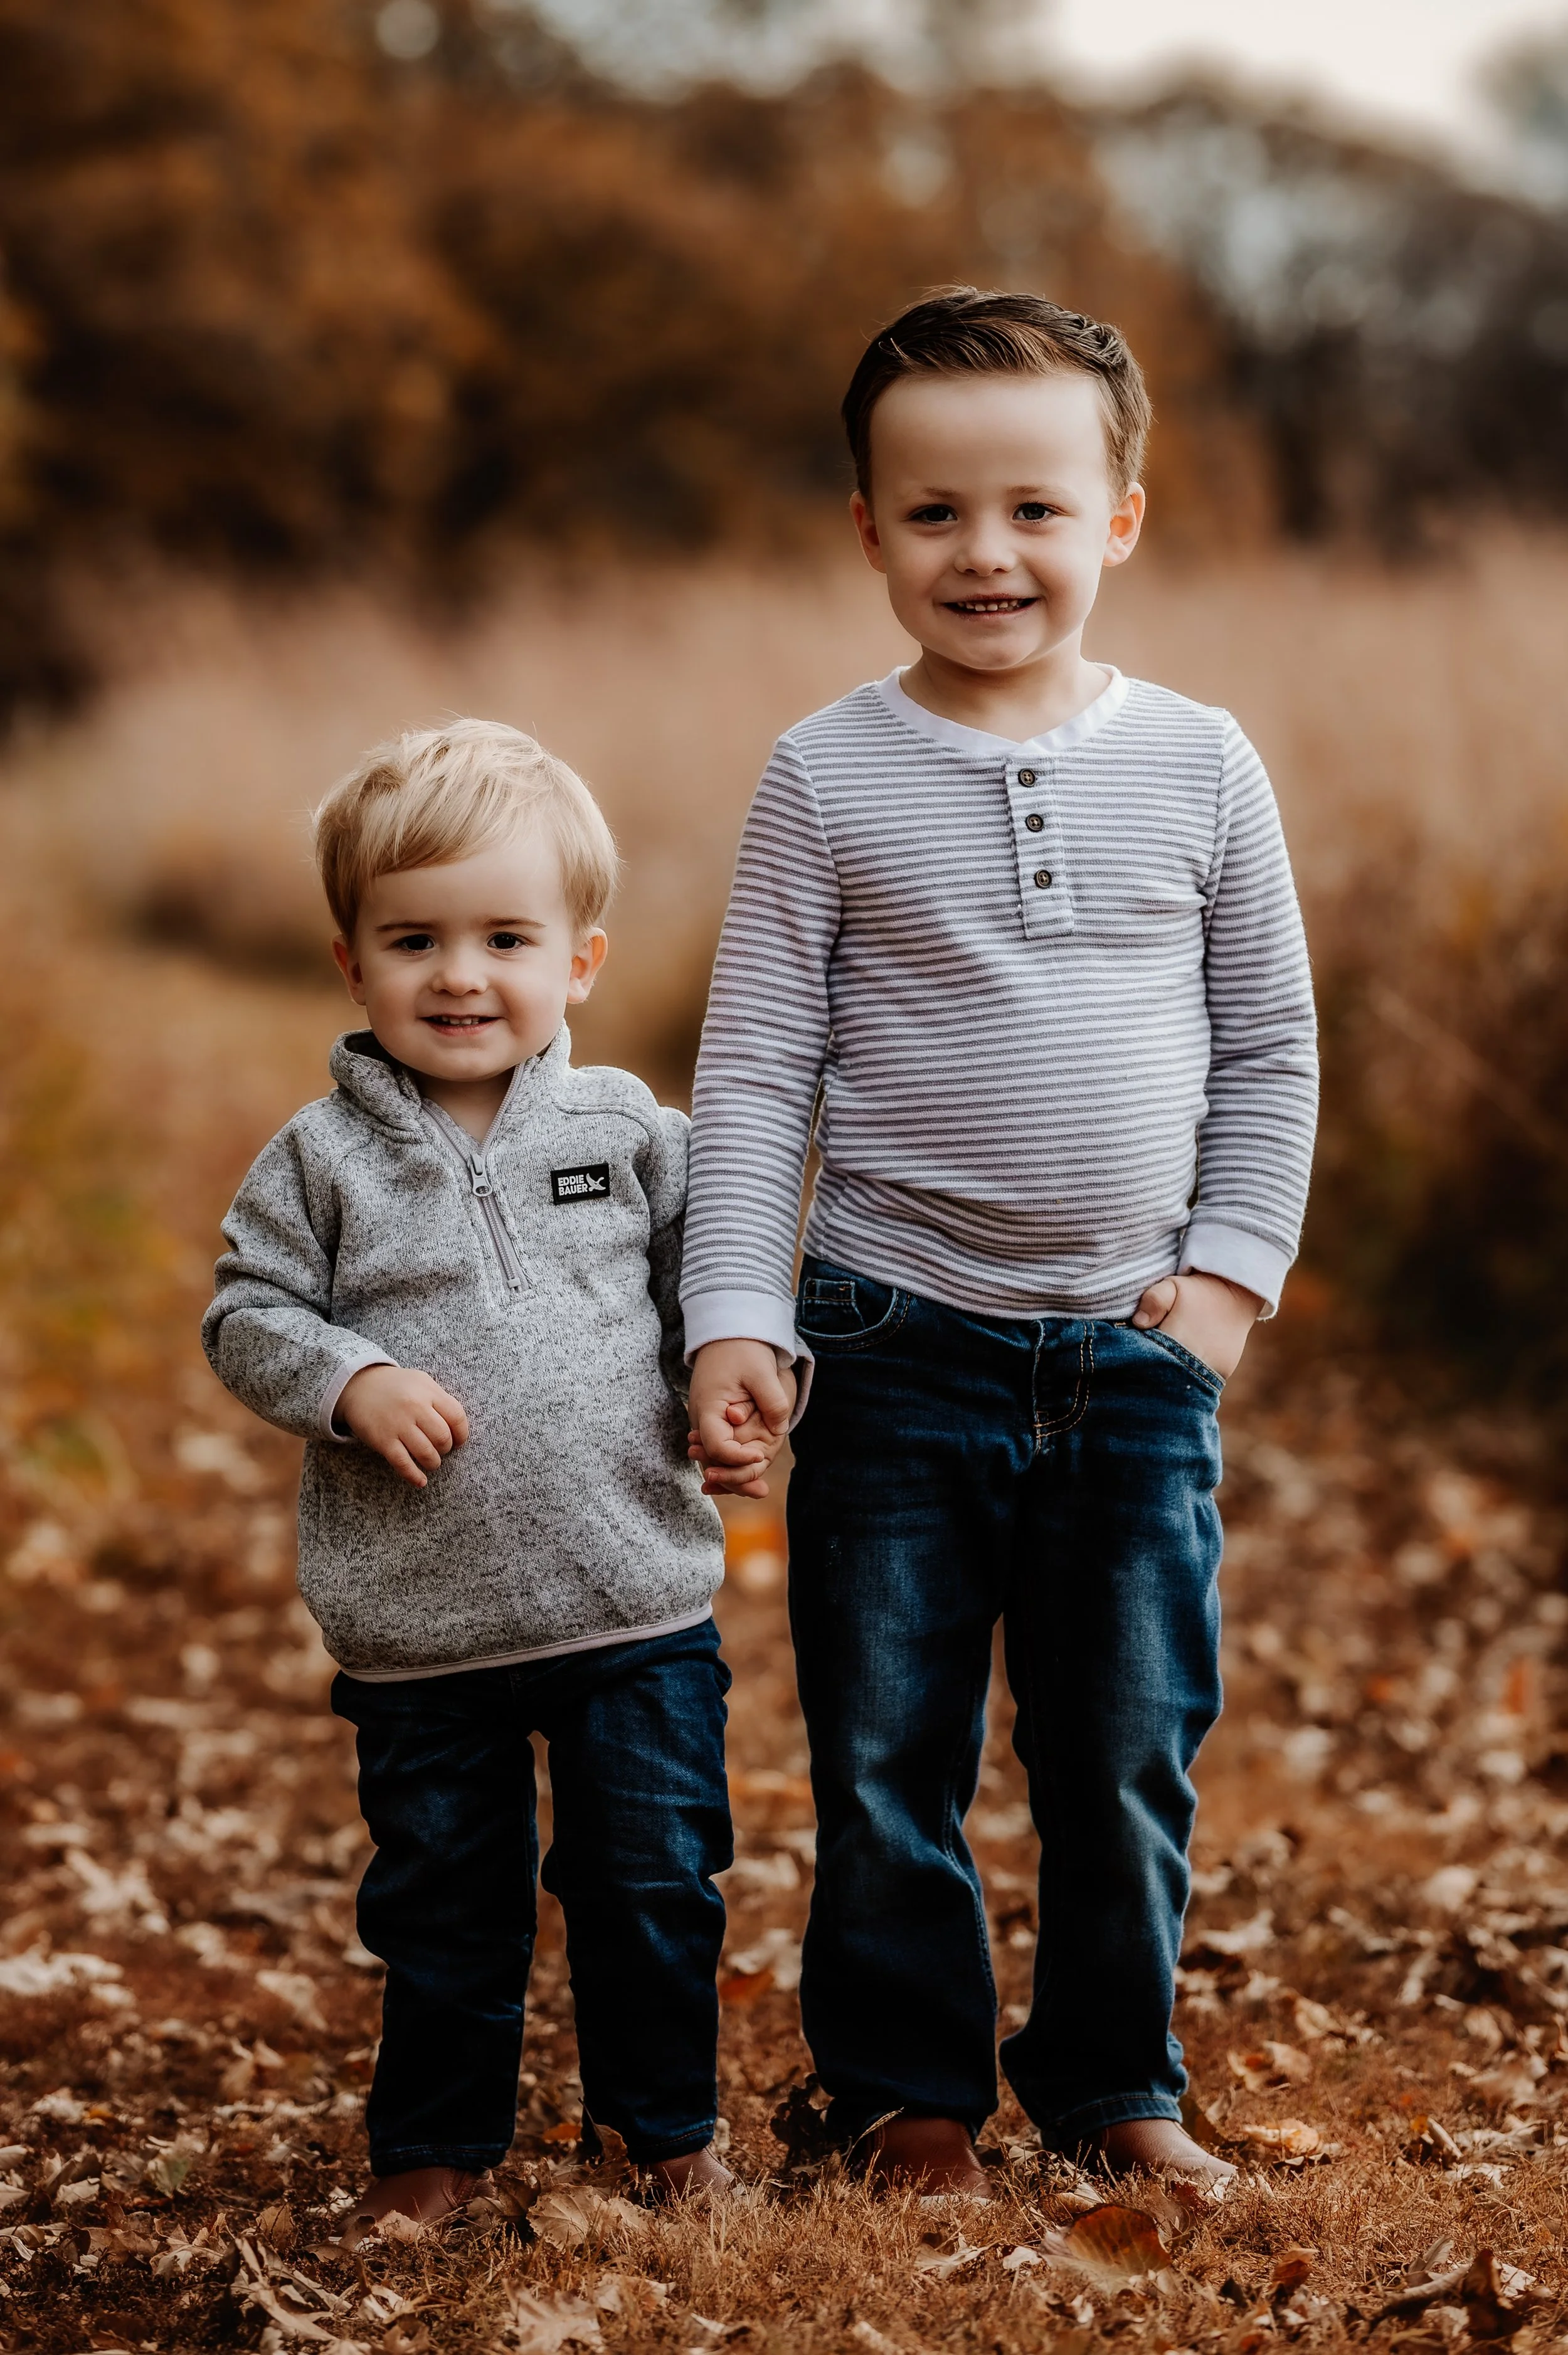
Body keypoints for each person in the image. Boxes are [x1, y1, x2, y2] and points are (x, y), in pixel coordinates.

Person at [682, 287, 1318, 2196]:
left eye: (1034, 509)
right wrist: (735, 1308)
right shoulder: (823, 774)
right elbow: (754, 1069)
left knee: (1122, 1749)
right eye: (937, 512)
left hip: (1130, 1352)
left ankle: (1117, 2081)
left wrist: (1219, 1285)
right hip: (889, 1333)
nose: (988, 553)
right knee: (890, 1753)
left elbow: (1270, 1043)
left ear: (1117, 515)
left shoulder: (1202, 763)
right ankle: (908, 2097)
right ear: (867, 529)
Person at [203, 720, 741, 2225]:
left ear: (578, 957)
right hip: (422, 1630)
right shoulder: (320, 1161)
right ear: (349, 962)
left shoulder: (633, 1128)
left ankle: (668, 2134)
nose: (459, 974)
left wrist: (736, 1382)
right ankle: (432, 2153)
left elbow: (723, 1276)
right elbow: (246, 1314)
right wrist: (346, 1376)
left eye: (505, 936)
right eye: (414, 939)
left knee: (651, 1888)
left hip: (630, 1604)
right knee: (445, 1910)